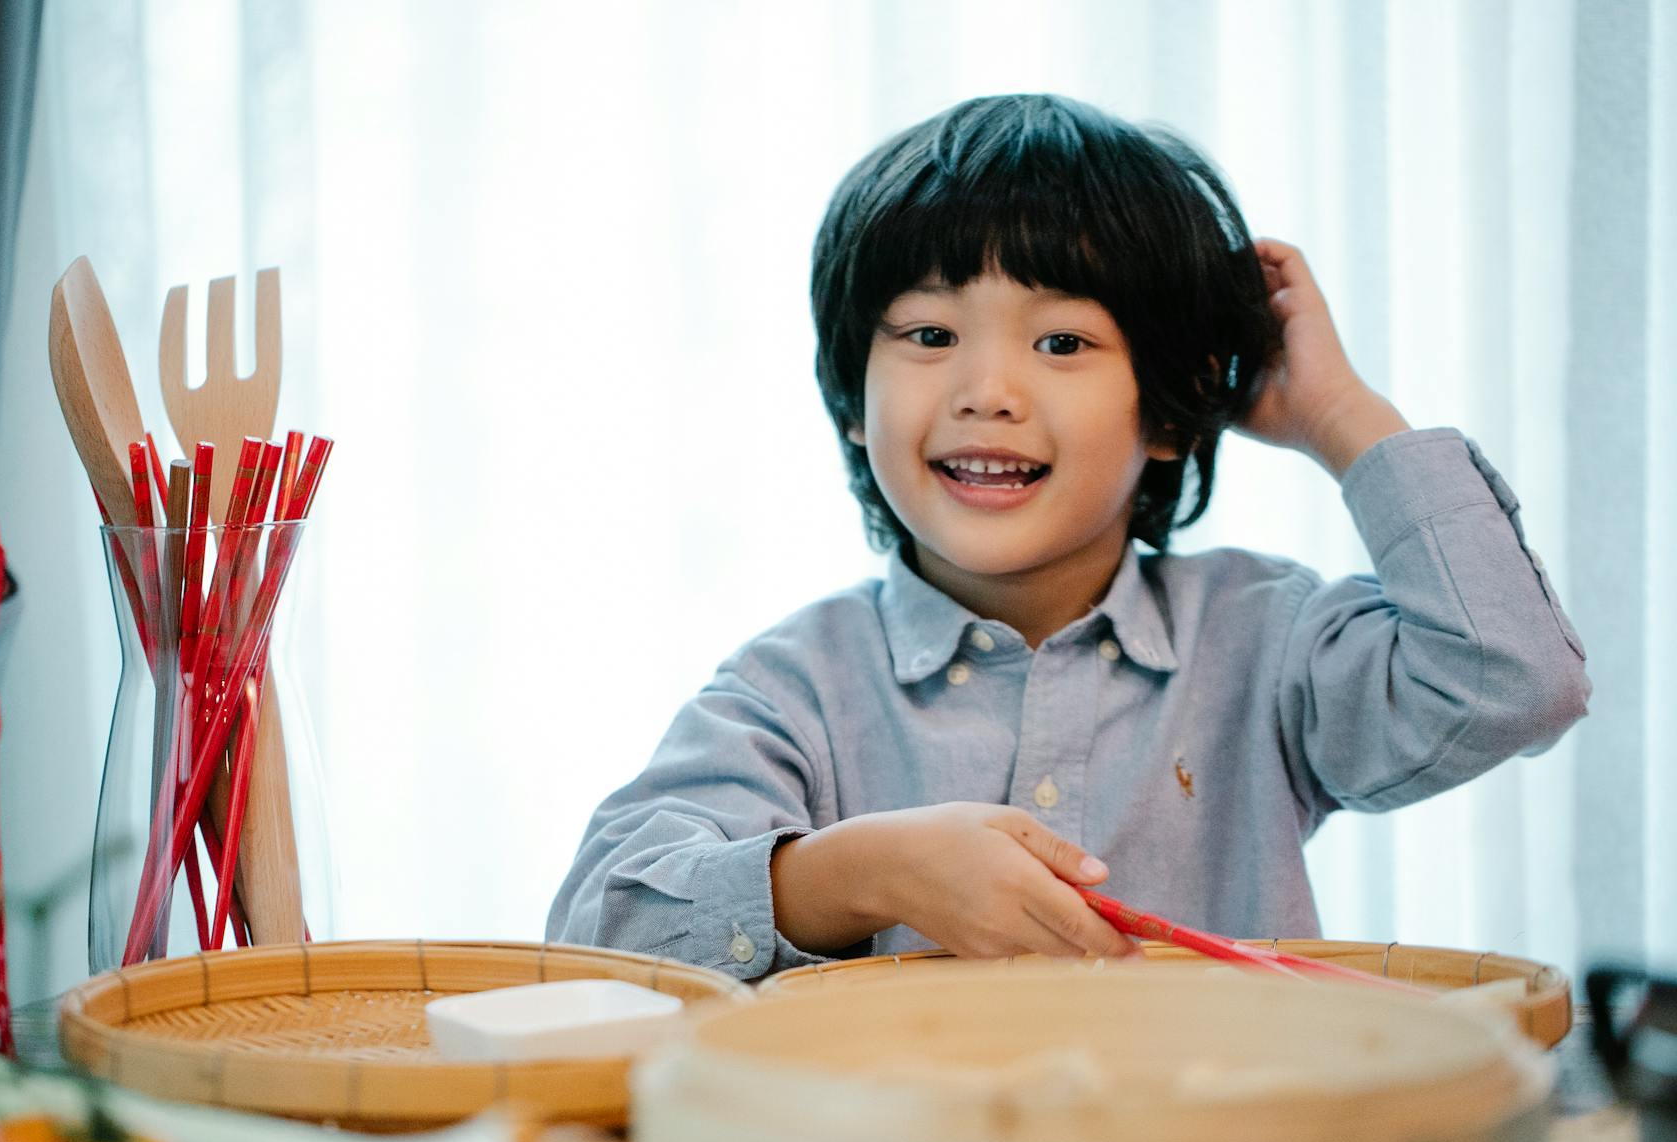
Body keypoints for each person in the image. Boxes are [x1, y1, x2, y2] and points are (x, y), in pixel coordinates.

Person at [545, 93, 1589, 979]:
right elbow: (601, 931)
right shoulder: (796, 687)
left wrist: (1339, 413)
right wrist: (856, 871)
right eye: (929, 334)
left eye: (1062, 340)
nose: (986, 391)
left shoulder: (1267, 643)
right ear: (854, 400)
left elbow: (1516, 677)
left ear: (1173, 411)